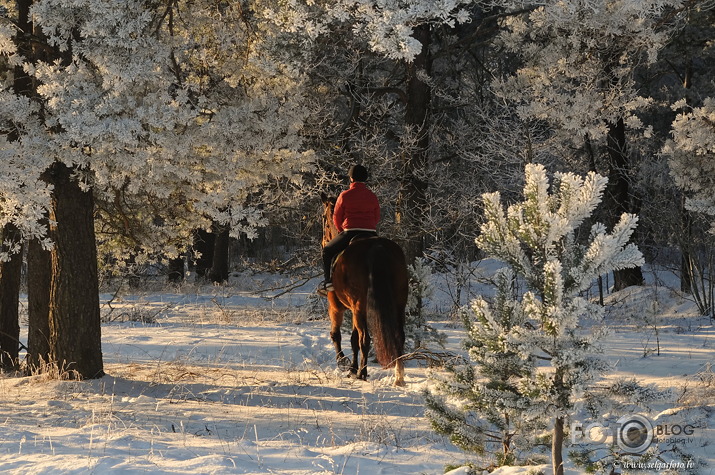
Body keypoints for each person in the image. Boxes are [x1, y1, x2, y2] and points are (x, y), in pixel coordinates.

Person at [319, 164, 380, 294]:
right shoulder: (372, 196)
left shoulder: (344, 195)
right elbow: (376, 217)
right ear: (365, 179)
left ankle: (328, 282)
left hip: (350, 232)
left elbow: (336, 218)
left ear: (351, 178)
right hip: (371, 233)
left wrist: (342, 230)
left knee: (327, 251)